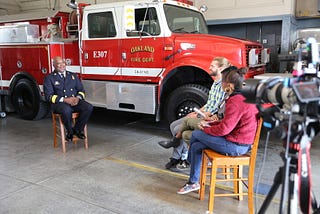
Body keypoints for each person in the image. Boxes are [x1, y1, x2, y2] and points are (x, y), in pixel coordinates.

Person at [177, 67, 259, 194]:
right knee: (197, 145)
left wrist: (206, 128)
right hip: (241, 142)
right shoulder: (244, 96)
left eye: (222, 82)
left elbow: (225, 129)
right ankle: (193, 182)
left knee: (197, 134)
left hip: (236, 146)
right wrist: (212, 124)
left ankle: (190, 162)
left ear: (229, 85)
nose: (220, 84)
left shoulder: (235, 101)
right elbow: (229, 122)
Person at [158, 57, 232, 171]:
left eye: (212, 66)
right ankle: (178, 157)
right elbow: (209, 103)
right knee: (173, 125)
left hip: (210, 118)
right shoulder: (215, 83)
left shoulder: (224, 87)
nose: (209, 67)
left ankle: (180, 158)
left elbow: (217, 108)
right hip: (204, 113)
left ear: (220, 68)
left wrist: (199, 115)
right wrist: (197, 111)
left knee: (179, 129)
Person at [44, 56, 93, 141]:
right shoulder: (49, 78)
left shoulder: (72, 75)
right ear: (54, 65)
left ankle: (77, 130)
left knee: (88, 107)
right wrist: (65, 100)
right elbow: (49, 96)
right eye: (59, 63)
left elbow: (81, 90)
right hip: (59, 104)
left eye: (63, 63)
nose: (62, 65)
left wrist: (77, 98)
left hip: (74, 101)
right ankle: (69, 132)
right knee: (67, 110)